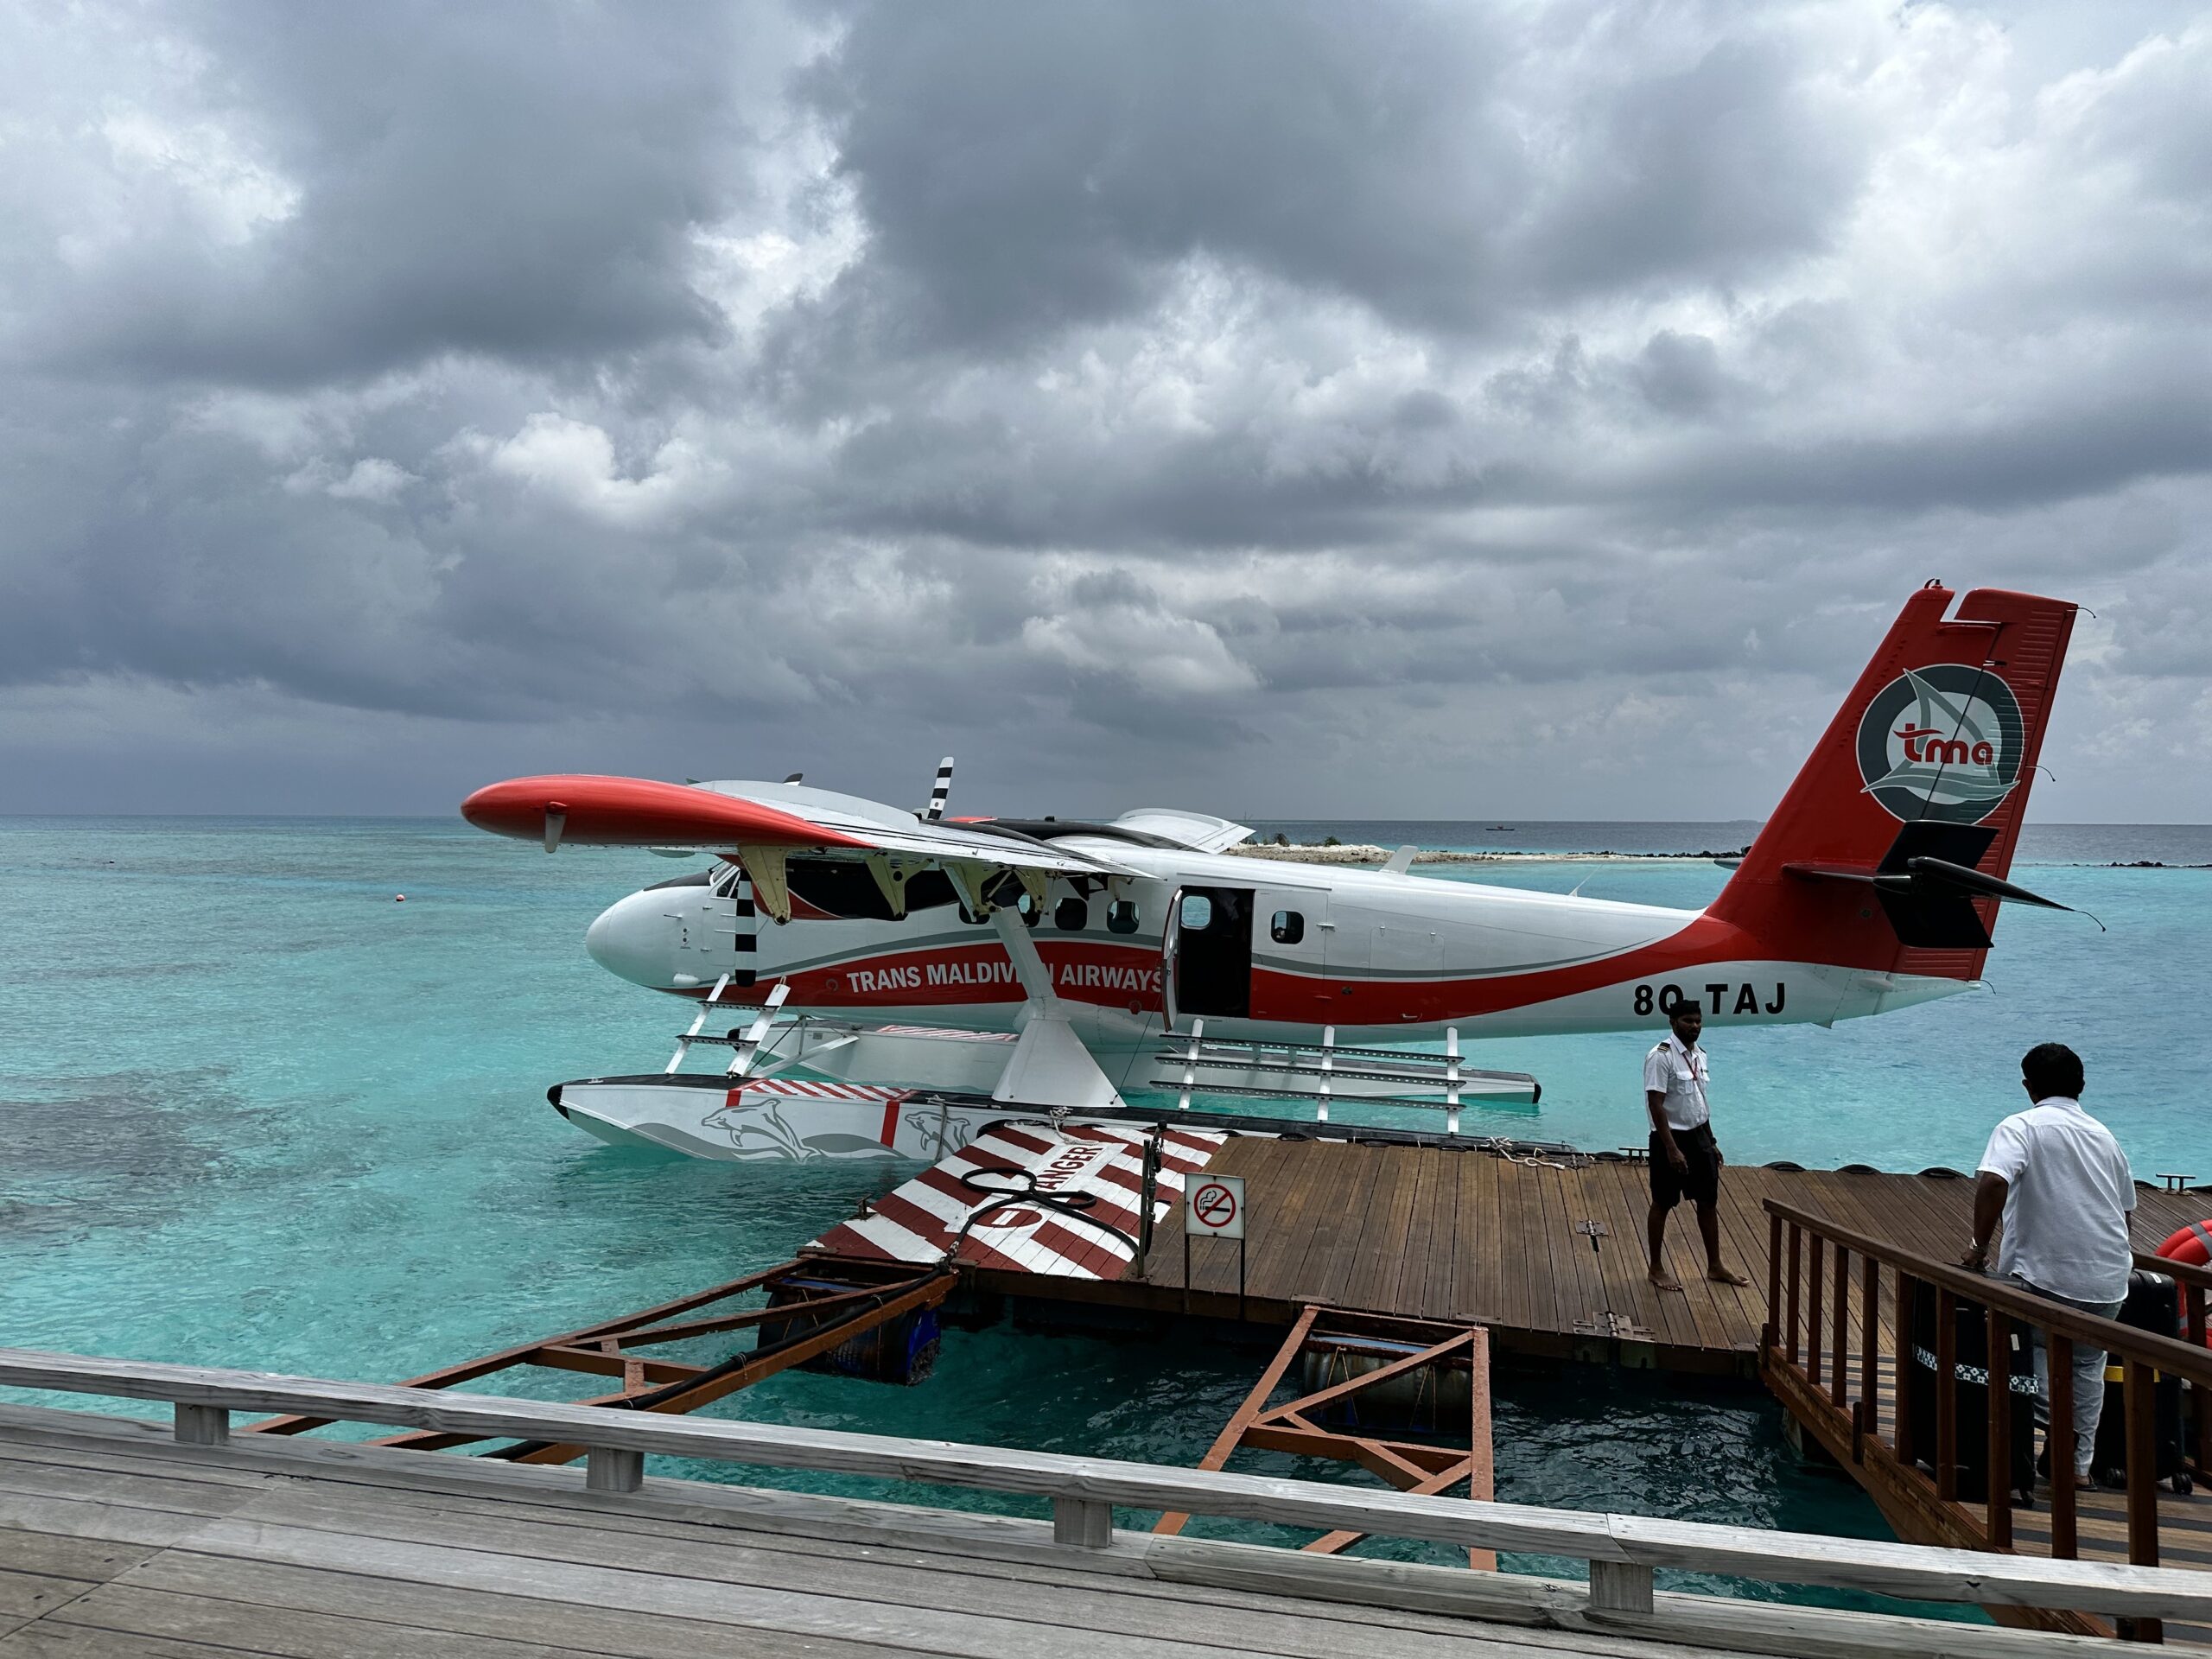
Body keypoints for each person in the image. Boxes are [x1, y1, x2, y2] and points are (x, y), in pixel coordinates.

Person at [1961, 1043, 2136, 1486]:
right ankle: (2074, 1467)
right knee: (2085, 1367)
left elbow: (1994, 1181)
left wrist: (1979, 1245)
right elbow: (2127, 1211)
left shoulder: (2020, 1126)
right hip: (2109, 1278)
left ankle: (2050, 1432)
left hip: (2043, 1273)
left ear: (2028, 1086)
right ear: (2081, 1086)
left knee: (2028, 1354)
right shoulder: (2104, 1135)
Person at [1643, 1001, 1751, 1293]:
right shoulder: (1660, 1057)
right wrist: (1671, 1149)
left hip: (1699, 1136)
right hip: (1670, 1138)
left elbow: (1699, 1102)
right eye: (1688, 1020)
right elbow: (1656, 1104)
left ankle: (1715, 1265)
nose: (1694, 1026)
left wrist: (1712, 1141)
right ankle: (1655, 1267)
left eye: (1698, 1021)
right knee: (1663, 1202)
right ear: (1672, 1022)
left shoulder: (1699, 1055)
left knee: (1708, 1201)